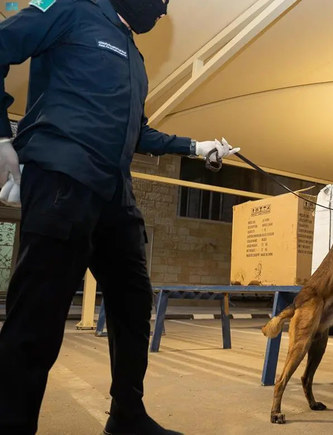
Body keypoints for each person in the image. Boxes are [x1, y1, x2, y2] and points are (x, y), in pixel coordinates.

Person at [0, 0, 239, 433]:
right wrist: (2, 137)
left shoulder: (136, 59)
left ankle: (127, 416)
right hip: (64, 179)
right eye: (161, 1)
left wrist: (195, 147)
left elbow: (138, 131)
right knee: (38, 313)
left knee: (133, 303)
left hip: (115, 194)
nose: (162, 12)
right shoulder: (71, 9)